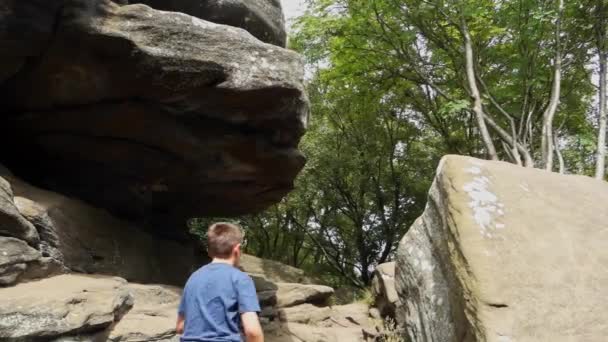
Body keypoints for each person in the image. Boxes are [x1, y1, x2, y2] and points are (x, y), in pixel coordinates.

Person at [176, 222, 264, 342]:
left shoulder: (193, 278)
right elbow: (253, 331)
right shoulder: (240, 279)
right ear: (237, 250)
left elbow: (180, 326)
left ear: (209, 251)